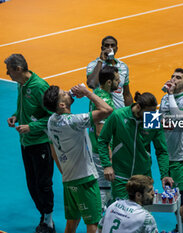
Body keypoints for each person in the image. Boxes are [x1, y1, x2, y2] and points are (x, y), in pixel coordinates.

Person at [43, 84, 113, 233]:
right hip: (85, 178)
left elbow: (54, 153)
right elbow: (107, 110)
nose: (69, 92)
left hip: (68, 179)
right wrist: (87, 93)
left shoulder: (51, 121)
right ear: (62, 105)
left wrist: (66, 174)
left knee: (72, 222)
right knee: (93, 223)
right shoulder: (74, 121)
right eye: (64, 94)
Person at [5, 54, 55, 233]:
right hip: (25, 142)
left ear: (18, 69)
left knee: (43, 183)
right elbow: (22, 107)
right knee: (32, 184)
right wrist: (15, 116)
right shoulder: (22, 84)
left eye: (9, 71)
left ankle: (48, 221)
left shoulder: (40, 86)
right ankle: (43, 215)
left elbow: (53, 115)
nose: (7, 74)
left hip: (40, 142)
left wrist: (31, 127)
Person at [98, 91, 174, 200]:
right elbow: (103, 140)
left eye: (154, 112)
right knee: (120, 211)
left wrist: (165, 174)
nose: (152, 115)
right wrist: (106, 165)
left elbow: (161, 150)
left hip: (143, 176)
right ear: (138, 107)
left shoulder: (153, 119)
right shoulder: (118, 116)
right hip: (120, 175)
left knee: (143, 213)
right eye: (149, 112)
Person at [159, 68, 183, 232]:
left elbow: (179, 117)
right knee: (168, 194)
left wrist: (170, 95)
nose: (174, 79)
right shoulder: (164, 98)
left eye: (178, 77)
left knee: (179, 195)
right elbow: (159, 121)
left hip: (180, 155)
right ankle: (180, 226)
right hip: (164, 153)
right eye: (172, 76)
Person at [88, 66, 120, 211]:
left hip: (96, 149)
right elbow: (101, 132)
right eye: (117, 80)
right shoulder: (104, 100)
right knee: (105, 187)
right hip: (101, 151)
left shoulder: (98, 94)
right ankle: (100, 221)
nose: (119, 83)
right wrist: (109, 159)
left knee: (104, 185)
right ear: (108, 82)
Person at [86, 35, 133, 109]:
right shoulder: (94, 65)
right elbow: (92, 84)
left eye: (112, 45)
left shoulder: (123, 66)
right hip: (101, 113)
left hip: (118, 113)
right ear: (102, 48)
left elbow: (126, 94)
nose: (109, 48)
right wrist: (100, 61)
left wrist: (130, 112)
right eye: (106, 45)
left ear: (116, 49)